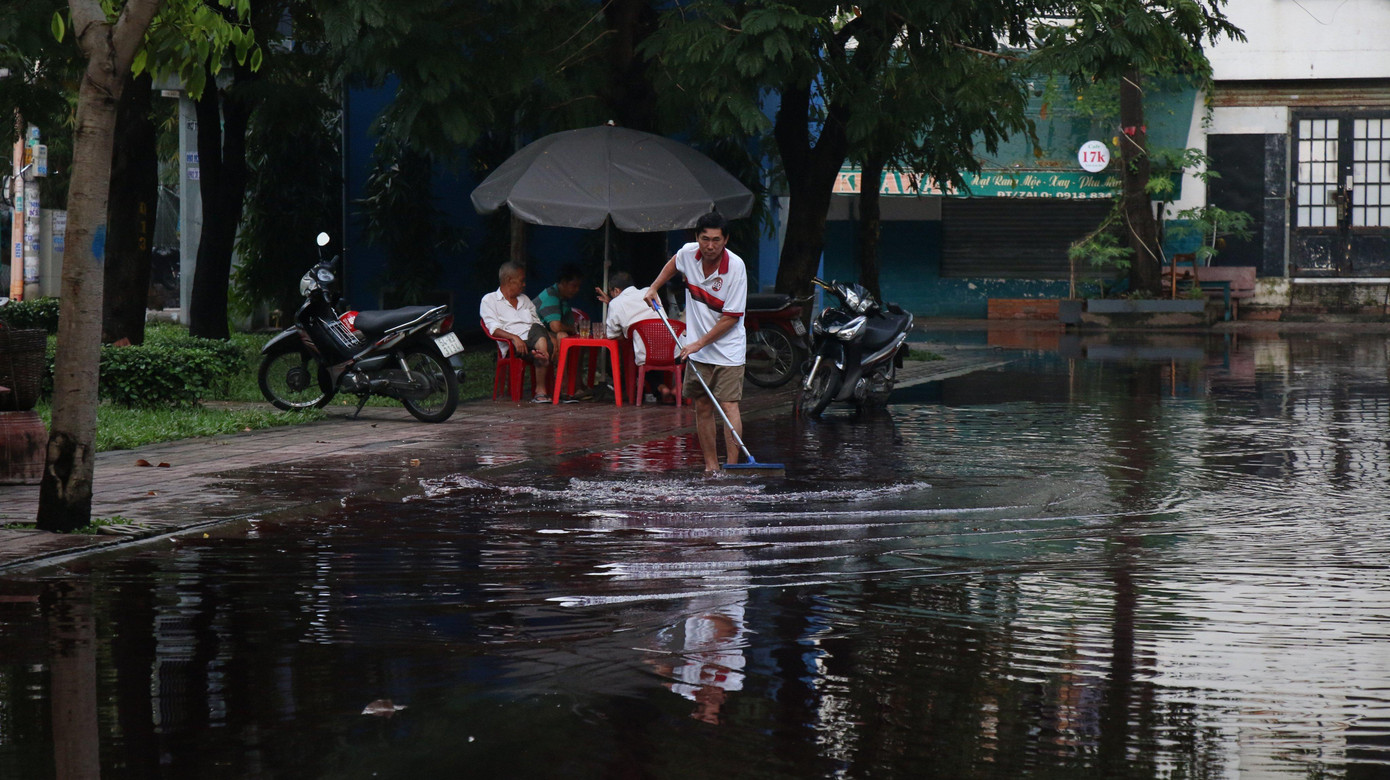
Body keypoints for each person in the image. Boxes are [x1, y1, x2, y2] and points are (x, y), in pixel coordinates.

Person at [642, 211, 747, 471]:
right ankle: (712, 466)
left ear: (726, 240)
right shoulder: (689, 253)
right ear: (697, 238)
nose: (710, 246)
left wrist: (697, 344)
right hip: (698, 350)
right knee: (701, 404)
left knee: (728, 404)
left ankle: (732, 467)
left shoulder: (736, 267)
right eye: (705, 239)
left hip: (728, 349)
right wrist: (654, 286)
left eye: (716, 240)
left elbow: (730, 318)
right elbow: (674, 263)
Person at [480, 261, 554, 403]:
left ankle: (541, 357)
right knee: (544, 345)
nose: (524, 284)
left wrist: (549, 337)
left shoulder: (524, 299)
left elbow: (537, 324)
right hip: (514, 346)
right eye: (521, 280)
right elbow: (493, 329)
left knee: (540, 332)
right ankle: (543, 363)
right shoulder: (489, 300)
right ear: (509, 280)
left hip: (535, 338)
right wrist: (514, 338)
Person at [597, 271, 675, 404]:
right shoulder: (649, 292)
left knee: (640, 354)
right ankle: (676, 388)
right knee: (647, 351)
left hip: (646, 354)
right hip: (672, 348)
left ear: (616, 290)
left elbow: (612, 335)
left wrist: (612, 304)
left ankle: (661, 388)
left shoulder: (616, 304)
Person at [535, 263, 587, 398]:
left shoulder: (563, 299)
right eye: (574, 286)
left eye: (578, 286)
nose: (576, 290)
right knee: (562, 336)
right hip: (534, 336)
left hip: (547, 335)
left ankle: (576, 384)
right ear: (563, 283)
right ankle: (562, 387)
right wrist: (571, 328)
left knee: (578, 343)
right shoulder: (551, 296)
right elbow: (556, 327)